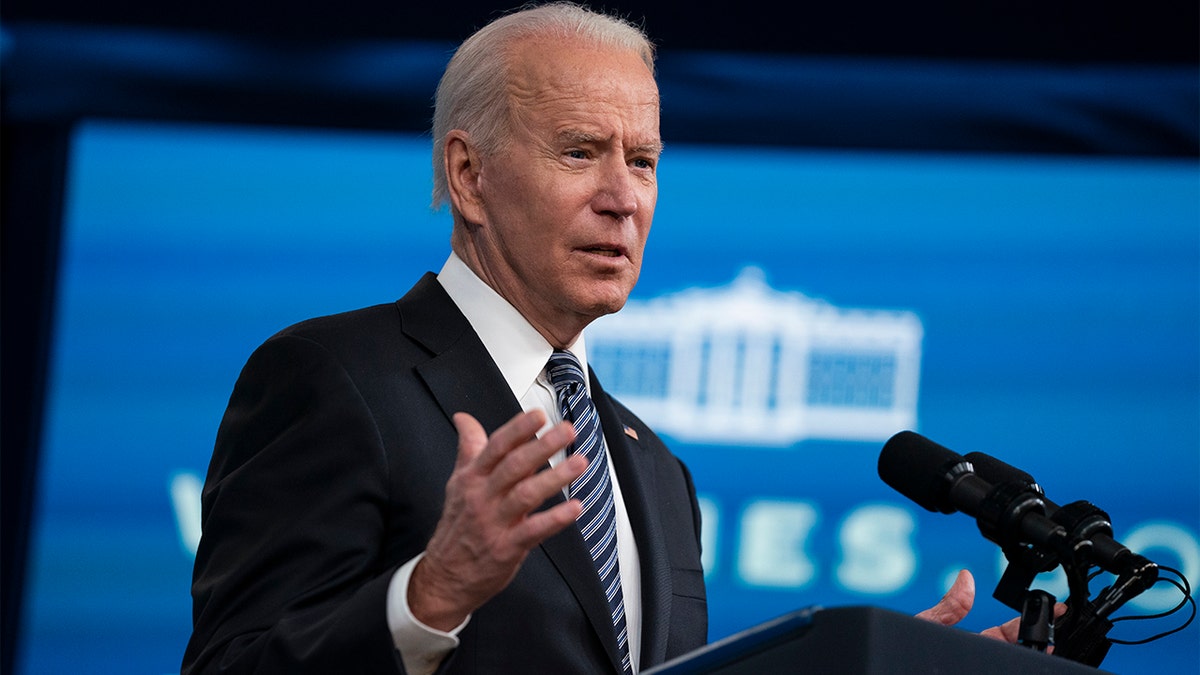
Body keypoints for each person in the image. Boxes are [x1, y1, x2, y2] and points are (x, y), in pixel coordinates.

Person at [182, 3, 1015, 674]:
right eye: (580, 152)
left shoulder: (653, 467)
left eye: (643, 161)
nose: (623, 198)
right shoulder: (334, 377)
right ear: (469, 175)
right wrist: (430, 593)